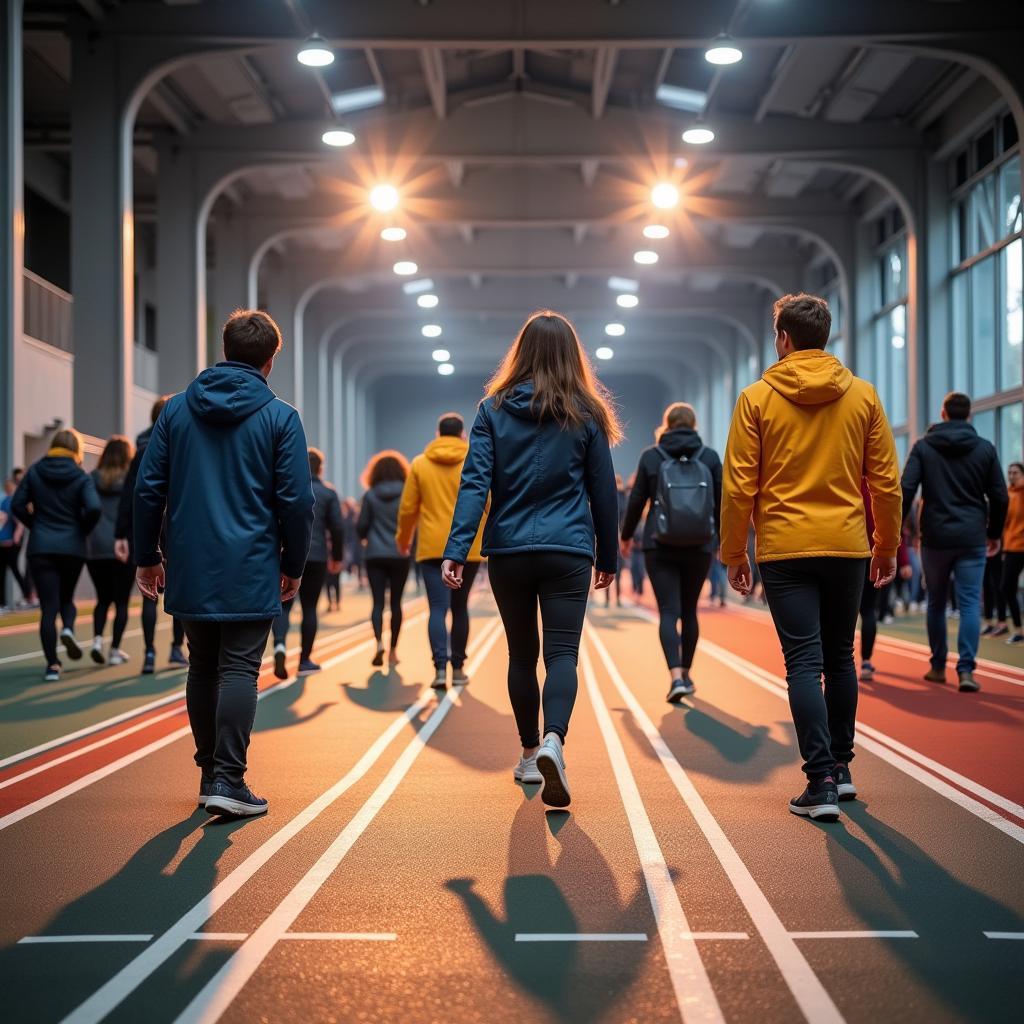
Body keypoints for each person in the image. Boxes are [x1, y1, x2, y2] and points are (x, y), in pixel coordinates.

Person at [721, 293, 901, 822]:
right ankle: (842, 771)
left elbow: (738, 486)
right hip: (847, 546)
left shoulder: (756, 398)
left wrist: (735, 552)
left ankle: (819, 778)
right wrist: (885, 545)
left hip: (784, 548)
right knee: (840, 656)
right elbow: (886, 482)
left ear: (783, 339)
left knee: (803, 662)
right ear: (826, 336)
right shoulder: (863, 396)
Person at [134, 309, 314, 817]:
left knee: (203, 665)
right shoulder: (281, 417)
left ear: (225, 348)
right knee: (239, 667)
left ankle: (210, 773)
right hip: (252, 560)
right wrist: (294, 564)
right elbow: (297, 502)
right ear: (271, 359)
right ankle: (229, 780)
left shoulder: (173, 412)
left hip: (191, 559)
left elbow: (148, 489)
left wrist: (148, 556)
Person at [442, 310, 620, 808]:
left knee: (521, 655)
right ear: (572, 356)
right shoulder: (587, 413)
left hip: (510, 550)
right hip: (568, 550)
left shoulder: (492, 409)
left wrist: (457, 548)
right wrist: (608, 553)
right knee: (562, 654)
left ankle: (527, 754)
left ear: (519, 353)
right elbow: (603, 492)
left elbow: (475, 482)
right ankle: (554, 741)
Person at [901, 392, 1008, 693]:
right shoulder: (985, 449)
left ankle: (937, 666)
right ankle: (966, 671)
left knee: (936, 602)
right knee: (970, 603)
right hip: (972, 536)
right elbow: (999, 495)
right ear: (969, 415)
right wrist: (994, 533)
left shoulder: (923, 447)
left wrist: (895, 530)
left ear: (943, 413)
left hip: (935, 537)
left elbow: (906, 490)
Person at [621, 402, 722, 702]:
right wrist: (725, 542)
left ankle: (675, 677)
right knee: (689, 611)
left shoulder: (652, 457)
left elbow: (637, 500)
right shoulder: (710, 457)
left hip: (658, 543)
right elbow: (722, 502)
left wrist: (626, 537)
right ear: (693, 425)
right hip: (700, 543)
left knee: (668, 611)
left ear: (666, 425)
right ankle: (688, 674)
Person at [396, 412, 486, 689]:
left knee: (437, 607)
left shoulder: (420, 464)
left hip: (432, 547)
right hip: (468, 546)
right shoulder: (475, 458)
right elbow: (487, 500)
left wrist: (404, 539)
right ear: (462, 435)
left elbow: (409, 507)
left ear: (437, 434)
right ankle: (458, 668)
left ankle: (438, 668)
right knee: (460, 608)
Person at [11, 428, 102, 682]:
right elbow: (94, 508)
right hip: (72, 547)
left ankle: (52, 665)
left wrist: (34, 525)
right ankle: (69, 629)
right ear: (77, 449)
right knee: (66, 599)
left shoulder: (36, 471)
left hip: (41, 546)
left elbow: (17, 504)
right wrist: (81, 529)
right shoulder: (81, 476)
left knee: (48, 607)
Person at [114, 394, 188, 674]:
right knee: (177, 590)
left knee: (149, 592)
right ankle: (176, 648)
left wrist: (122, 533)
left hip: (149, 525)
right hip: (177, 525)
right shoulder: (182, 440)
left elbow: (134, 493)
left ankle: (148, 653)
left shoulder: (143, 447)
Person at [272, 448, 344, 679]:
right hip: (316, 555)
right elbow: (337, 528)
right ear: (320, 468)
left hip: (284, 553)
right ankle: (304, 660)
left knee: (283, 606)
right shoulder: (328, 493)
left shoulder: (286, 486)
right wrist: (338, 557)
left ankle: (280, 645)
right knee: (310, 608)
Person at [357, 451, 411, 668]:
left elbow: (361, 526)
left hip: (375, 554)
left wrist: (365, 538)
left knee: (378, 602)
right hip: (400, 553)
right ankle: (393, 651)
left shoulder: (370, 495)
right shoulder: (407, 492)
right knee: (396, 603)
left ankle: (379, 643)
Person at [86, 436, 136, 665]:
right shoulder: (131, 479)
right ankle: (114, 649)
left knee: (102, 599)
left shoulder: (93, 478)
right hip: (123, 544)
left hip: (96, 546)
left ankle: (97, 640)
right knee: (122, 602)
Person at [1000, 462, 1024, 645]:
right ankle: (1019, 630)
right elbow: (1005, 523)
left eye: (1015, 472)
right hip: (1011, 547)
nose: (1012, 475)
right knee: (1007, 587)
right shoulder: (1008, 494)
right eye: (1009, 472)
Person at [1, 476, 30, 610]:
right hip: (5, 541)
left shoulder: (12, 501)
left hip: (11, 542)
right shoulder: (6, 501)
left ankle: (27, 596)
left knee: (14, 569)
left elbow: (19, 522)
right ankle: (4, 602)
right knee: (6, 571)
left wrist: (16, 538)